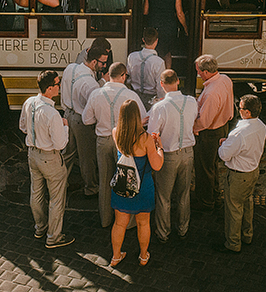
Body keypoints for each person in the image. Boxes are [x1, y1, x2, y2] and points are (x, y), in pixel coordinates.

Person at [83, 62, 147, 228]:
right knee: (126, 179)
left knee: (104, 180)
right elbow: (143, 118)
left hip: (103, 140)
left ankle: (105, 219)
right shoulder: (130, 95)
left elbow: (86, 120)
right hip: (124, 141)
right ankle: (127, 222)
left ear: (108, 75)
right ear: (124, 75)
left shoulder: (96, 94)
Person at [19, 70, 74, 249]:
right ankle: (53, 237)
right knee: (56, 198)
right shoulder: (52, 114)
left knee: (36, 192)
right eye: (58, 84)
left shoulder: (29, 103)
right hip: (50, 158)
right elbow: (60, 145)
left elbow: (22, 127)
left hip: (32, 154)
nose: (59, 87)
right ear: (50, 88)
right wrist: (65, 127)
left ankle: (40, 228)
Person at [109, 99, 164, 267]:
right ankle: (143, 256)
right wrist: (159, 147)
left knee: (119, 223)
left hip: (122, 184)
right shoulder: (145, 138)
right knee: (143, 223)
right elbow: (157, 165)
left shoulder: (116, 132)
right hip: (142, 186)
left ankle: (116, 256)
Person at [147, 68, 197, 243]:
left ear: (161, 85)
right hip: (188, 153)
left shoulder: (159, 107)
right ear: (177, 82)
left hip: (168, 155)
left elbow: (152, 133)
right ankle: (183, 228)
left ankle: (163, 232)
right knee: (184, 194)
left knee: (163, 196)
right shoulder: (192, 101)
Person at [218, 94, 266, 253]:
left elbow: (224, 155)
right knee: (247, 204)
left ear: (247, 112)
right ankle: (247, 235)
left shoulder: (239, 133)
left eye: (240, 108)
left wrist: (224, 144)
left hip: (238, 175)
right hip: (252, 171)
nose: (238, 111)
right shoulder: (262, 126)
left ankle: (233, 243)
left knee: (234, 209)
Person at [60, 46, 109, 199]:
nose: (104, 66)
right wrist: (103, 81)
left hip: (67, 114)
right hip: (81, 122)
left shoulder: (71, 68)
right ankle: (91, 188)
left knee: (67, 154)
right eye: (102, 63)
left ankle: (60, 183)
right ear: (94, 61)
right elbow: (94, 102)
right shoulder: (90, 83)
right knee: (87, 157)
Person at [192, 54, 234, 212]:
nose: (198, 74)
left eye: (199, 72)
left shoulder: (211, 94)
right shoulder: (225, 79)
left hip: (210, 134)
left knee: (204, 168)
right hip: (223, 127)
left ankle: (206, 201)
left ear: (206, 72)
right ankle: (215, 195)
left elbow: (204, 121)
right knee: (213, 166)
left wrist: (193, 129)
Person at [143, 0, 188, 68]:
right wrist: (185, 27)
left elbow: (145, 12)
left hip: (153, 25)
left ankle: (154, 74)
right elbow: (179, 13)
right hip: (169, 26)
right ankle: (167, 76)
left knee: (154, 51)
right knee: (167, 53)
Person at [127, 27, 166, 110]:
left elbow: (128, 79)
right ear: (156, 41)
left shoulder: (132, 57)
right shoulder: (159, 62)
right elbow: (160, 86)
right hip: (151, 100)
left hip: (134, 97)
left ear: (143, 40)